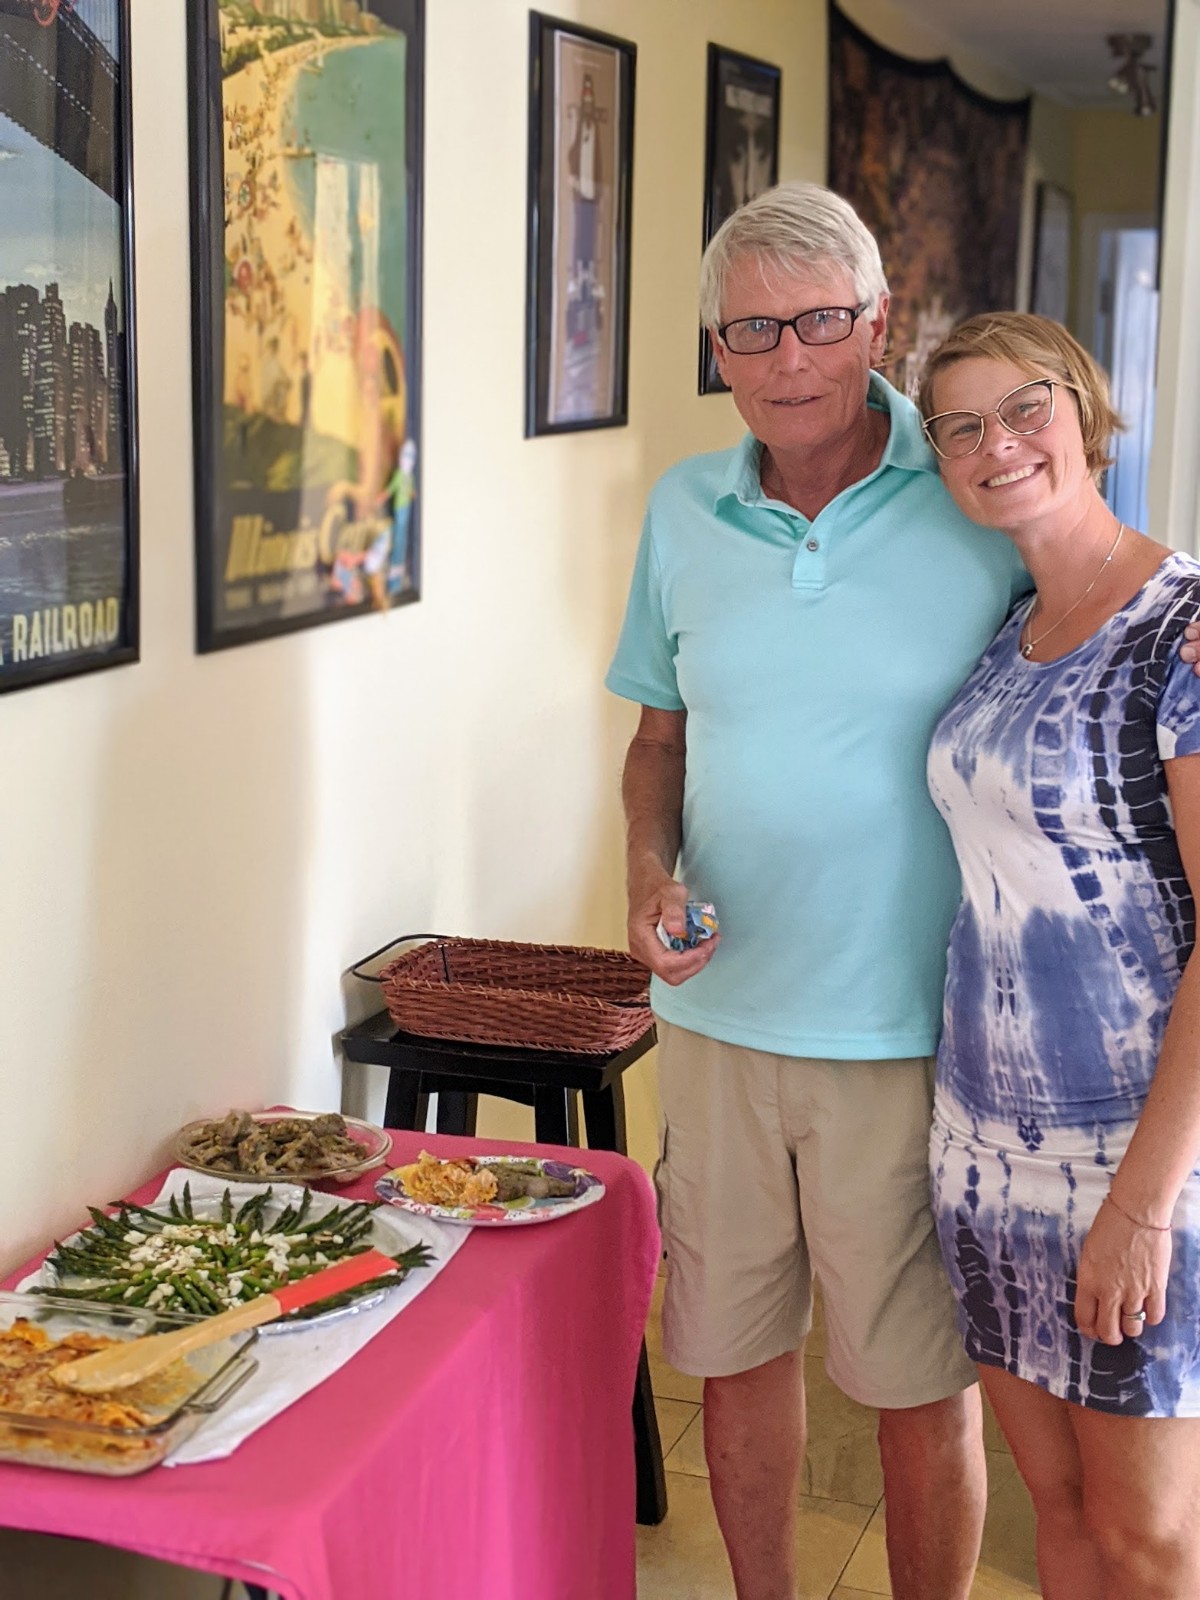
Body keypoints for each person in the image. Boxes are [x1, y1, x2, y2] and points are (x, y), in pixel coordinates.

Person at [606, 181, 1031, 1600]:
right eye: (753, 331)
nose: (789, 359)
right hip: (719, 1023)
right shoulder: (680, 510)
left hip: (911, 1029)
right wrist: (648, 872)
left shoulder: (972, 490)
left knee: (917, 1389)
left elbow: (1104, 598)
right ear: (716, 349)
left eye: (821, 322)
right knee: (732, 1361)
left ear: (878, 324)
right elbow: (657, 743)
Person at [918, 312, 1200, 1600]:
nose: (999, 444)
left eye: (1024, 408)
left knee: (1148, 1540)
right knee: (1062, 1511)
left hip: (1140, 1158)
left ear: (1084, 407)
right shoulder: (1009, 626)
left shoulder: (1178, 628)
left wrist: (1143, 1205)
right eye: (960, 427)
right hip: (985, 1152)